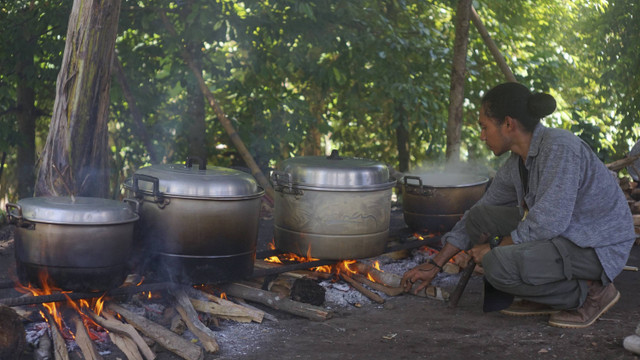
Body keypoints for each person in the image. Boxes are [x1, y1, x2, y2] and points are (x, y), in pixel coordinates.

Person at [401, 82, 635, 329]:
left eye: (484, 127)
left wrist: (494, 247)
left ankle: (592, 292)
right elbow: (480, 211)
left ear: (508, 124)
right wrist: (436, 264)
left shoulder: (559, 147)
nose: (482, 136)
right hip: (564, 234)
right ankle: (547, 293)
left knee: (496, 265)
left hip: (595, 246)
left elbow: (549, 222)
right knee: (479, 217)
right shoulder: (516, 163)